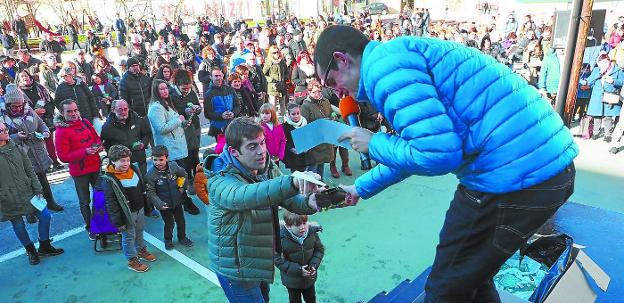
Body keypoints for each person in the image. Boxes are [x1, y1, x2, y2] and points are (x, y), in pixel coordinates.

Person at [315, 25, 578, 302]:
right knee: (471, 275)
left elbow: (437, 154)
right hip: (544, 166)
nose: (338, 93)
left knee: (446, 287)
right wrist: (360, 187)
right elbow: (415, 150)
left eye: (330, 82)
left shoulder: (384, 68)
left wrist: (374, 143)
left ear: (342, 59)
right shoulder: (397, 56)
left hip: (512, 174)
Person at [207, 117, 322, 302]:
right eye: (252, 147)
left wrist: (316, 200)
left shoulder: (265, 165)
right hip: (236, 269)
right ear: (233, 151)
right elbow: (246, 196)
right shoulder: (219, 179)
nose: (261, 151)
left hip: (257, 257)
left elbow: (290, 199)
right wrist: (293, 180)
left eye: (262, 143)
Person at [0, 121, 64, 265]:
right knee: (18, 226)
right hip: (7, 198)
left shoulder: (16, 148)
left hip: (27, 192)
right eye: (1, 131)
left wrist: (37, 189)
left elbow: (30, 170)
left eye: (5, 129)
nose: (5, 132)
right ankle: (30, 250)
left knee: (45, 216)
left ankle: (44, 245)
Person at [1, 84, 63, 212]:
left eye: (20, 105)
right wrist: (16, 137)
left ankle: (50, 202)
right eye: (14, 106)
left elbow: (41, 124)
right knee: (28, 183)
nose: (18, 108)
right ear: (8, 105)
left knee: (43, 179)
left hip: (38, 151)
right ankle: (34, 209)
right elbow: (3, 138)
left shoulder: (29, 110)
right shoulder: (3, 117)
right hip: (21, 153)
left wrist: (45, 132)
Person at [102, 144, 157, 272]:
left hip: (140, 209)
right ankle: (132, 260)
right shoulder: (109, 179)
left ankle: (141, 250)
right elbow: (111, 203)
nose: (126, 163)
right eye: (122, 161)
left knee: (139, 231)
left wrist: (147, 206)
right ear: (113, 161)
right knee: (128, 237)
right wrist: (118, 222)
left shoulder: (134, 168)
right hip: (126, 214)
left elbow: (142, 188)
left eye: (127, 160)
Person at [54, 99, 103, 240]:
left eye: (75, 110)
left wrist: (98, 145)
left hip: (95, 165)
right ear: (62, 113)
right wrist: (84, 152)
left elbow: (96, 138)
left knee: (100, 196)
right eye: (69, 111)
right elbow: (62, 156)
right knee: (85, 201)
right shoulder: (60, 131)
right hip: (80, 171)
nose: (73, 113)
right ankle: (91, 227)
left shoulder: (85, 122)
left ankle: (102, 224)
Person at [100, 99, 157, 218]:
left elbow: (147, 134)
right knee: (126, 188)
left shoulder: (137, 119)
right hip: (121, 165)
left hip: (139, 159)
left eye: (125, 109)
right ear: (113, 110)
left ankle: (149, 208)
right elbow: (106, 145)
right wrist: (117, 156)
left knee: (143, 184)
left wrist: (143, 143)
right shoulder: (107, 126)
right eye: (120, 109)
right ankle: (128, 212)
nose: (123, 111)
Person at [144, 145, 194, 250]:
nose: (158, 162)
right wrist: (159, 204)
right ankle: (168, 240)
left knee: (181, 221)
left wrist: (182, 187)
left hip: (177, 201)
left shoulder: (174, 167)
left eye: (161, 159)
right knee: (169, 223)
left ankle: (182, 237)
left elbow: (183, 174)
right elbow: (151, 193)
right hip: (164, 205)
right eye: (155, 160)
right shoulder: (150, 175)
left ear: (167, 158)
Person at [16, 69, 62, 170]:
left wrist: (45, 110)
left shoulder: (40, 87)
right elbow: (19, 109)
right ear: (19, 80)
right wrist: (34, 113)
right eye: (22, 77)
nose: (25, 78)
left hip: (45, 118)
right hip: (29, 121)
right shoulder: (18, 93)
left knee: (49, 141)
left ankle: (54, 160)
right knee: (38, 143)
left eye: (26, 75)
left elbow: (50, 101)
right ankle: (44, 164)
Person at [275, 211, 324, 303]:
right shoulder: (281, 239)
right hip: (292, 281)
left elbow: (319, 250)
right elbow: (278, 260)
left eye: (304, 223)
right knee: (294, 300)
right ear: (288, 226)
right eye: (297, 225)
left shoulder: (312, 233)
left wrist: (314, 265)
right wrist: (298, 270)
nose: (302, 227)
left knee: (311, 299)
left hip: (309, 279)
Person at [582, 51, 624, 143]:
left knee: (608, 117)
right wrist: (598, 74)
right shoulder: (597, 70)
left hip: (610, 95)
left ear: (609, 61)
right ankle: (596, 132)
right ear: (598, 63)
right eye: (601, 63)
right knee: (597, 116)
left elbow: (622, 82)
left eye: (605, 62)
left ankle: (607, 135)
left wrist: (613, 81)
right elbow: (589, 81)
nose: (604, 64)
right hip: (597, 96)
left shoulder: (617, 70)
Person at [300, 79, 333, 180]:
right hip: (313, 141)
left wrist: (331, 119)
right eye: (314, 92)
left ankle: (320, 189)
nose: (317, 94)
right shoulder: (305, 105)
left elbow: (331, 115)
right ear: (309, 92)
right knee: (313, 169)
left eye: (319, 91)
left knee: (321, 166)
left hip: (324, 140)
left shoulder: (326, 102)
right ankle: (312, 191)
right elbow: (303, 126)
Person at [203, 67, 240, 139]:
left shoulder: (230, 89)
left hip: (232, 125)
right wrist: (221, 116)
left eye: (220, 75)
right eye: (216, 76)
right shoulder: (208, 94)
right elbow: (207, 114)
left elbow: (237, 106)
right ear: (211, 77)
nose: (219, 78)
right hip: (218, 128)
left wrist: (233, 113)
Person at [264, 45, 289, 115]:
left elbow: (287, 72)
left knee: (283, 105)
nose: (276, 54)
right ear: (271, 53)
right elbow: (264, 74)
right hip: (273, 86)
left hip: (282, 85)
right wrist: (271, 80)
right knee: (273, 105)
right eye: (274, 53)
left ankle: (284, 120)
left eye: (277, 52)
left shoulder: (282, 61)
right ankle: (273, 120)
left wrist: (285, 78)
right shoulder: (269, 62)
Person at [283, 102, 308, 173]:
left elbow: (307, 137)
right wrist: (291, 149)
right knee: (295, 175)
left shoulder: (304, 123)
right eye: (293, 114)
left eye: (298, 113)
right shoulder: (285, 126)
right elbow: (284, 141)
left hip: (303, 155)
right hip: (293, 157)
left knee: (304, 173)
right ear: (288, 115)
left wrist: (307, 146)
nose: (296, 116)